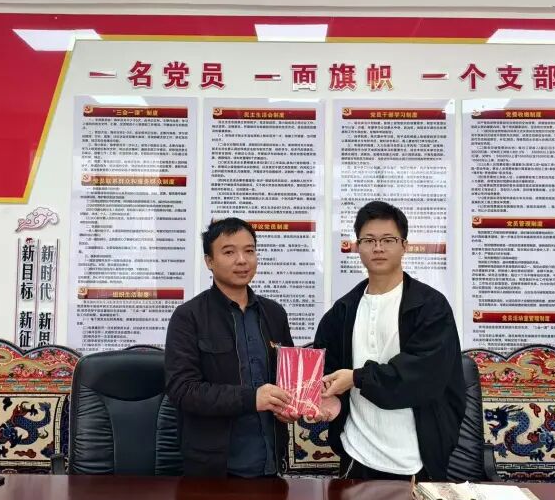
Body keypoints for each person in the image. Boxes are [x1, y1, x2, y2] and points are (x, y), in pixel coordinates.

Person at [313, 201, 464, 481]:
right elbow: (327, 374)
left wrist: (356, 378)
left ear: (404, 245)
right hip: (356, 456)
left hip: (416, 461)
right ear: (357, 247)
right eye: (369, 240)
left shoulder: (430, 308)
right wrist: (329, 400)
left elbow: (422, 377)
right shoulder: (341, 312)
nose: (378, 248)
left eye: (388, 240)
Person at [165, 217, 295, 477]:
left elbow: (287, 379)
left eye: (249, 250)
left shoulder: (274, 313)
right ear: (209, 261)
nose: (242, 260)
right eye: (229, 252)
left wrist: (291, 405)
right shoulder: (189, 316)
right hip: (214, 470)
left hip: (270, 465)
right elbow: (182, 389)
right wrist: (251, 398)